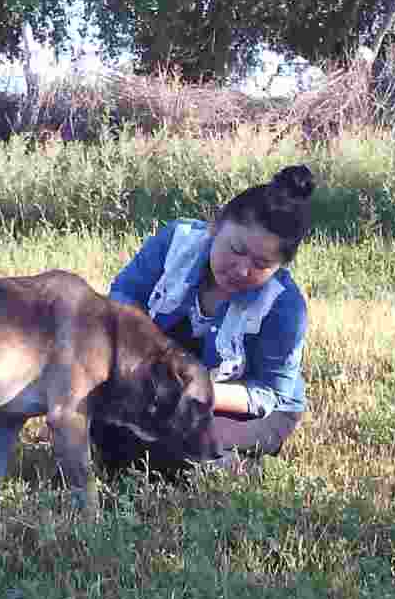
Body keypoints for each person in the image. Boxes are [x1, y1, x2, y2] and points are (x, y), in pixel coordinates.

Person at [91, 164, 313, 475]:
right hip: (162, 383)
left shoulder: (284, 307)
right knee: (103, 423)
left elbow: (270, 393)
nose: (242, 270)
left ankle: (238, 467)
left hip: (248, 407)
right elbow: (122, 298)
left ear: (280, 267)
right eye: (236, 249)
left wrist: (192, 391)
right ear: (216, 226)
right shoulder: (175, 242)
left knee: (178, 444)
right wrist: (143, 367)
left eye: (261, 264)